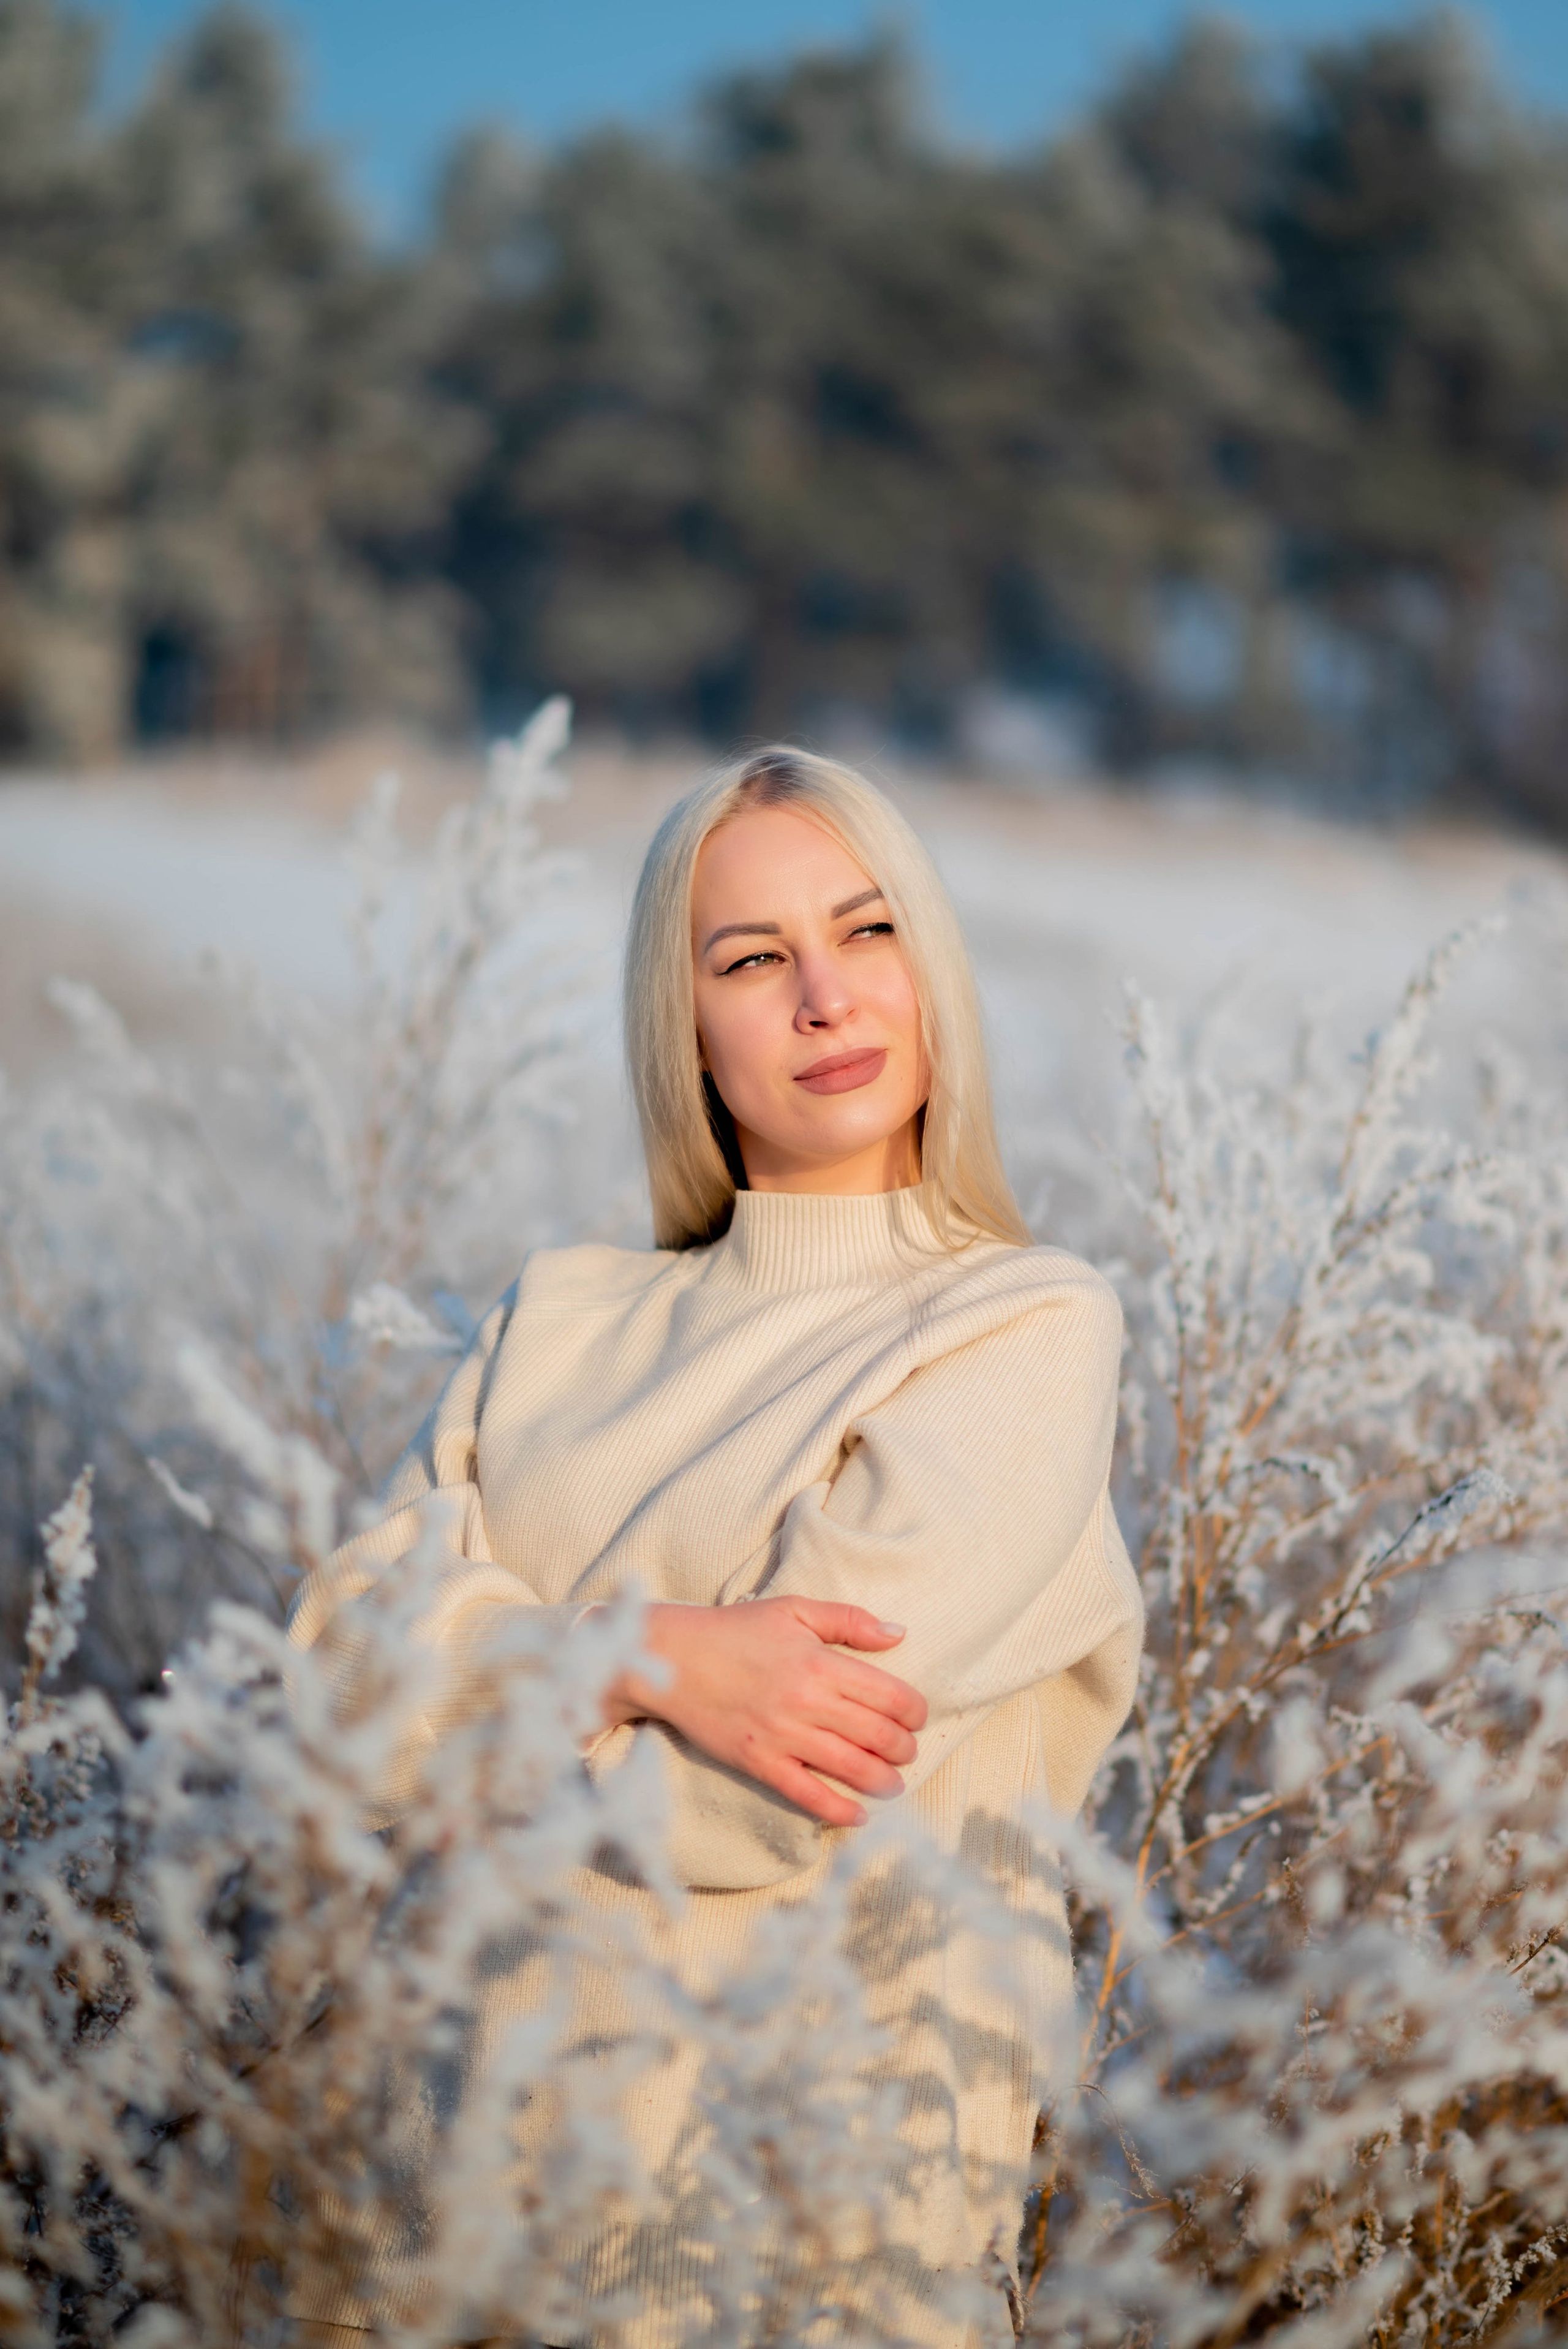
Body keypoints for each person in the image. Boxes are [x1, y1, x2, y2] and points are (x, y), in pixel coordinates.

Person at [287, 746, 1143, 2348]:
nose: (825, 995)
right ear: (679, 1025)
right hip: (435, 2224)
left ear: (930, 965)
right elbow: (335, 1679)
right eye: (753, 959)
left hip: (803, 2245)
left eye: (866, 931)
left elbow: (769, 1804)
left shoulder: (1019, 1327)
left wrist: (477, 1694)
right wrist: (656, 1655)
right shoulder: (556, 1320)